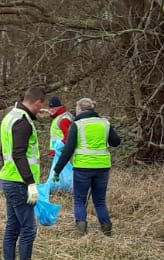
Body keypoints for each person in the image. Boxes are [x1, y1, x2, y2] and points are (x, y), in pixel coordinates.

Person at [52, 97, 122, 236]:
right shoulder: (105, 123)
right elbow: (116, 142)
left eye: (76, 109)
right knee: (100, 200)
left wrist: (57, 170)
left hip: (82, 168)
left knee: (79, 199)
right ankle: (106, 228)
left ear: (80, 109)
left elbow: (68, 150)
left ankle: (81, 228)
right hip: (102, 167)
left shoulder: (77, 125)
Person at [0, 87, 48, 260]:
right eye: (40, 106)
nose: (40, 110)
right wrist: (30, 183)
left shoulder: (10, 116)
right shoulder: (23, 122)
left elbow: (3, 150)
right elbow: (19, 154)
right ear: (37, 102)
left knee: (13, 224)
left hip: (8, 177)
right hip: (19, 182)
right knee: (28, 228)